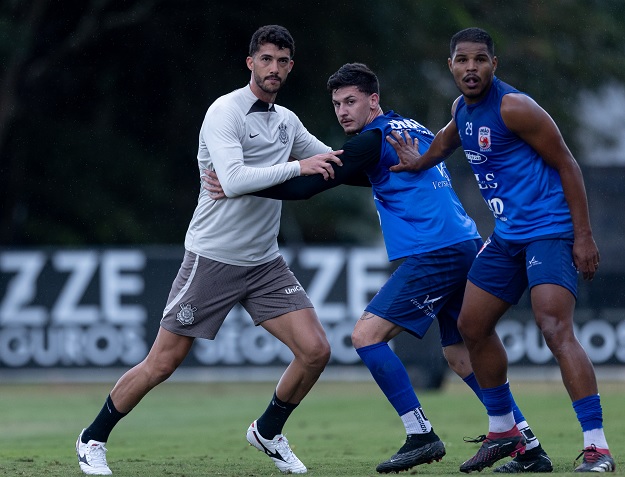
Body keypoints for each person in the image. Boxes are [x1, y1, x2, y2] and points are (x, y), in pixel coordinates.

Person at [204, 62, 552, 474]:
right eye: (336, 104)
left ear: (373, 100)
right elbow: (359, 173)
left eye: (351, 101)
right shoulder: (409, 127)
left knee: (366, 335)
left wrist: (238, 183)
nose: (342, 111)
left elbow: (312, 185)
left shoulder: (372, 139)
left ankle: (419, 432)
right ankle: (528, 445)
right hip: (464, 243)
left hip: (435, 250)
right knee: (460, 354)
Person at [75, 24, 344, 476]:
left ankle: (268, 430)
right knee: (162, 363)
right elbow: (234, 180)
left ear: (290, 67)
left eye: (282, 61)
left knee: (316, 350)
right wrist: (298, 166)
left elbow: (332, 164)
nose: (273, 68)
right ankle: (93, 437)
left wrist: (388, 154)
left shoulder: (286, 121)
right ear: (250, 62)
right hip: (213, 259)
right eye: (266, 59)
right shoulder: (226, 111)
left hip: (265, 263)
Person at [387, 27, 615, 473]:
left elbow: (567, 163)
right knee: (472, 325)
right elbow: (451, 135)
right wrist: (421, 160)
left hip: (549, 231)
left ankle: (597, 448)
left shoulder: (516, 107)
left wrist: (584, 236)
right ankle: (509, 435)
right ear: (450, 66)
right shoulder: (461, 108)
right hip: (507, 235)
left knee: (554, 328)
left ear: (495, 65)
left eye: (480, 60)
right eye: (462, 60)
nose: (471, 67)